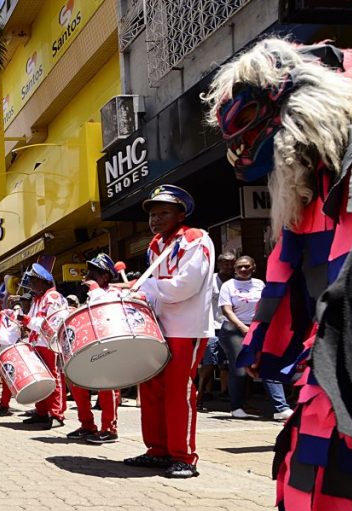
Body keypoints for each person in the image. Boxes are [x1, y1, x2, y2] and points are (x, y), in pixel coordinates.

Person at [204, 38, 352, 511]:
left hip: (350, 347)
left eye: (247, 123)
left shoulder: (348, 159)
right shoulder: (314, 184)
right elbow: (292, 271)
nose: (240, 146)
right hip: (335, 342)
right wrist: (270, 343)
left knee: (340, 445)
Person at [118, 184, 214, 479]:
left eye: (163, 213)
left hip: (186, 327)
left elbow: (186, 286)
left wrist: (141, 286)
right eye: (152, 214)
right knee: (151, 389)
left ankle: (184, 456)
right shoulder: (155, 245)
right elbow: (156, 292)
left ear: (181, 213)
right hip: (158, 327)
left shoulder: (195, 239)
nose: (155, 220)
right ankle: (157, 450)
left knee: (177, 391)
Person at [217, 256, 293, 421]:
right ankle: (236, 407)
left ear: (253, 267)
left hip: (257, 329)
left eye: (246, 267)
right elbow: (227, 311)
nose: (243, 270)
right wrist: (242, 327)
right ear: (235, 269)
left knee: (266, 364)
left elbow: (266, 306)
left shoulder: (260, 284)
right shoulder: (228, 286)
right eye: (239, 267)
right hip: (233, 330)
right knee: (240, 369)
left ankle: (281, 408)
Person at [66, 254, 122, 443]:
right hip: (91, 345)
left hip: (110, 345)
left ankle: (109, 429)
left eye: (93, 272)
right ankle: (87, 425)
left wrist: (94, 288)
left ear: (105, 276)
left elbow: (106, 312)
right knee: (77, 383)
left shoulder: (113, 293)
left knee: (107, 387)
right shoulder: (93, 294)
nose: (88, 276)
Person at [20, 263, 68, 429]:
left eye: (34, 281)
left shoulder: (53, 297)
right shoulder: (38, 299)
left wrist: (28, 321)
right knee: (39, 378)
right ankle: (41, 412)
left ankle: (56, 414)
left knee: (53, 378)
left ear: (43, 281)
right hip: (37, 343)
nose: (31, 284)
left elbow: (54, 322)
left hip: (48, 344)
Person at [198, 251, 236, 411]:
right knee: (209, 363)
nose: (228, 266)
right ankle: (199, 397)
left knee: (232, 364)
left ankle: (231, 395)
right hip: (213, 327)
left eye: (231, 263)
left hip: (232, 326)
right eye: (225, 263)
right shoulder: (210, 281)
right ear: (219, 265)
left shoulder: (237, 281)